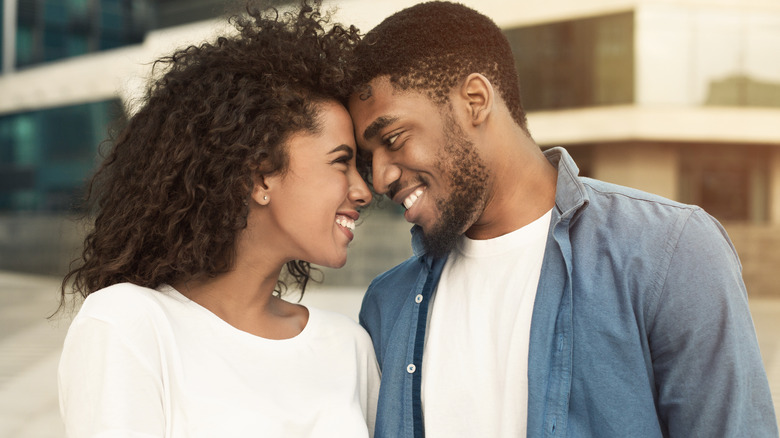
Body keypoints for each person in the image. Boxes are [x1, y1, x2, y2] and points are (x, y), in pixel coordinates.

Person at [347, 2, 778, 437]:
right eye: (369, 158)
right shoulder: (388, 303)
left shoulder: (668, 252)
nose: (380, 178)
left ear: (474, 101)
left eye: (393, 138)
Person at [56, 2, 379, 437]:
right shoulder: (130, 326)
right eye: (342, 162)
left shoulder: (349, 346)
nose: (363, 190)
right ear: (262, 173)